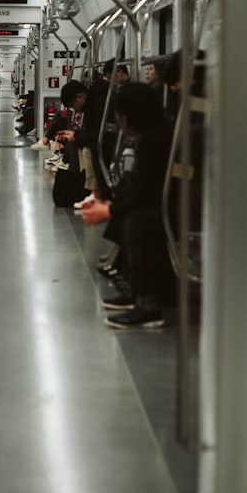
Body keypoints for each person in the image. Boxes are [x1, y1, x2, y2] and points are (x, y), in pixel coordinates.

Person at [81, 83, 175, 329]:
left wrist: (110, 209)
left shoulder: (153, 141)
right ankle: (148, 290)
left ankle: (147, 304)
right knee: (128, 211)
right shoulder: (157, 134)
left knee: (135, 219)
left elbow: (145, 191)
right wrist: (111, 202)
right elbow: (139, 184)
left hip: (174, 208)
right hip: (170, 202)